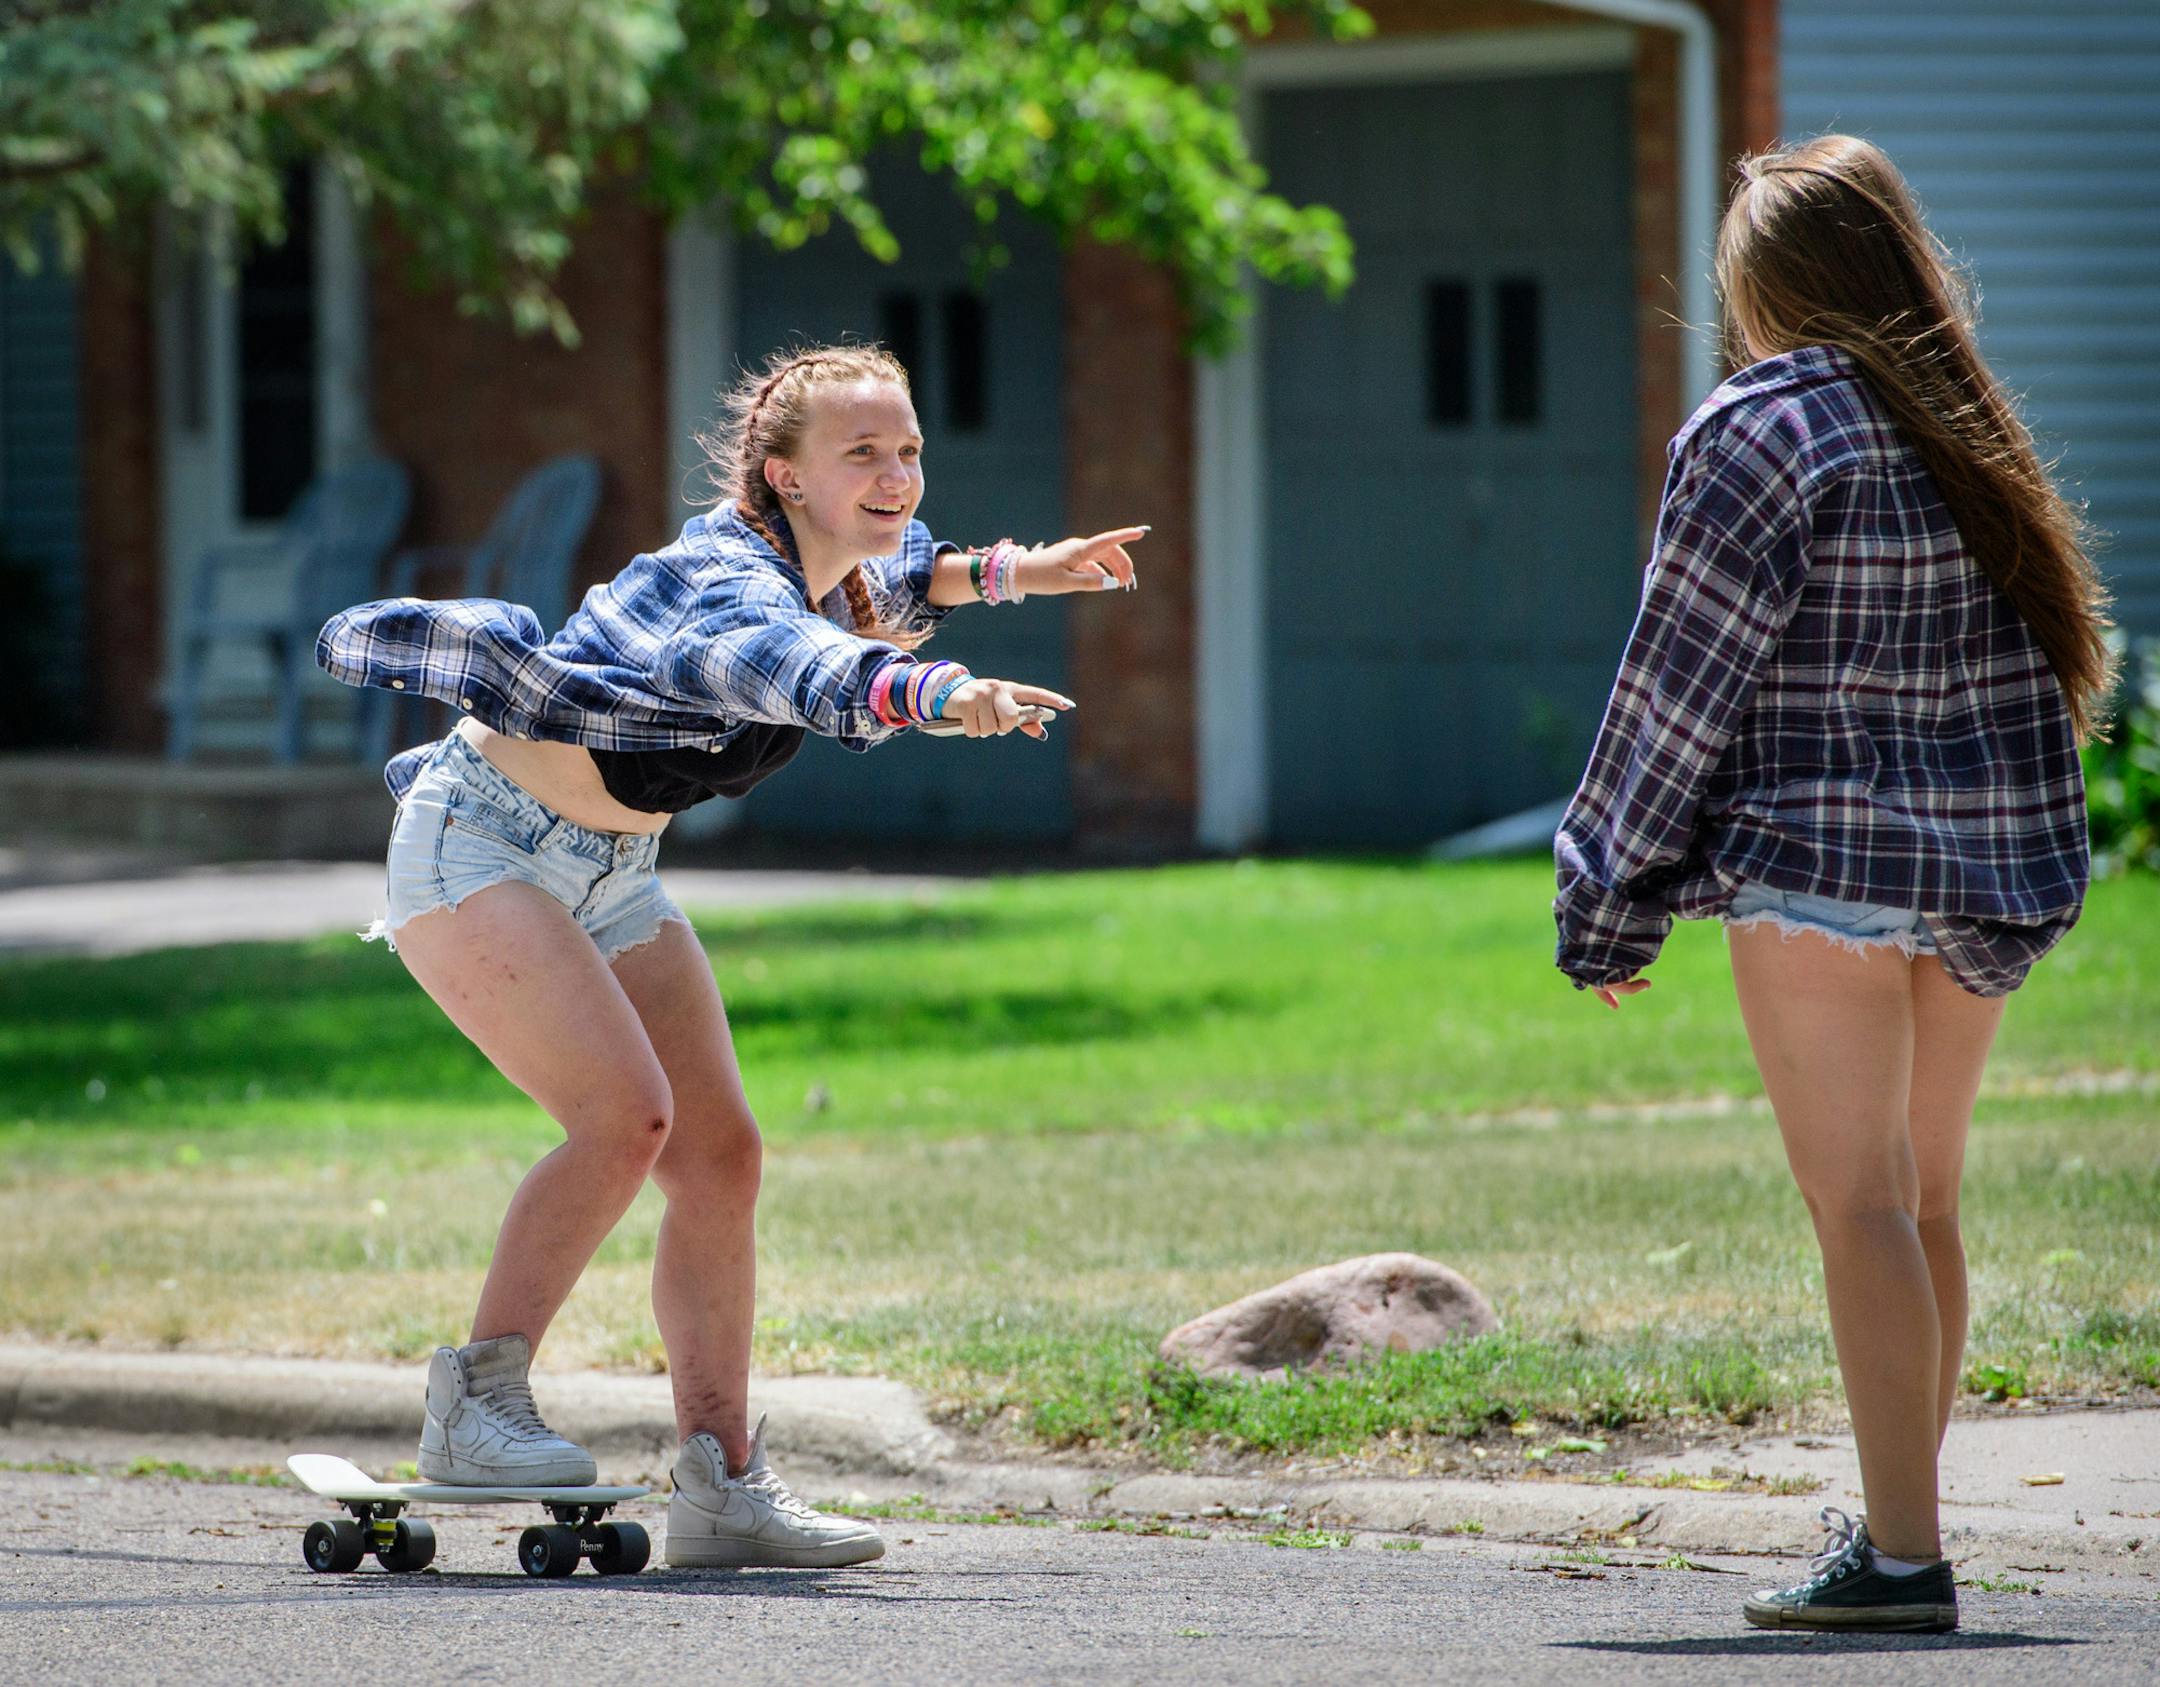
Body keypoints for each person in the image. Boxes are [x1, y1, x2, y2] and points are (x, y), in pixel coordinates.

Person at [317, 342, 1145, 1568]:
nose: (897, 474)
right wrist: (944, 693)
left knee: (721, 1152)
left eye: (909, 448)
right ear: (783, 476)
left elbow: (913, 567)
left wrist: (1023, 570)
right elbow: (798, 669)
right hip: (477, 845)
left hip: (610, 871)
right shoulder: (728, 587)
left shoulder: (835, 559)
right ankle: (475, 1405)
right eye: (862, 452)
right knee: (624, 1118)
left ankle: (721, 1485)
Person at [1553, 136, 2111, 1633]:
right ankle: (1895, 1523)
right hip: (1986, 867)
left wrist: (1606, 885)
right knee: (1924, 1198)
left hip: (1823, 870)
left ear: (1767, 282)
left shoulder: (1761, 425)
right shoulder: (1964, 422)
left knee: (1856, 1200)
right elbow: (2056, 664)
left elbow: (1679, 681)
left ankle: (1907, 1561)